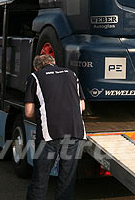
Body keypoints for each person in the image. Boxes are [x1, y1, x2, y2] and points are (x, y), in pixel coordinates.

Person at [25, 54, 86, 200]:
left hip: (49, 134)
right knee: (66, 181)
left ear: (36, 67)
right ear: (54, 63)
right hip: (75, 132)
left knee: (40, 180)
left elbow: (28, 112)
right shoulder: (71, 74)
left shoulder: (35, 77)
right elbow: (82, 106)